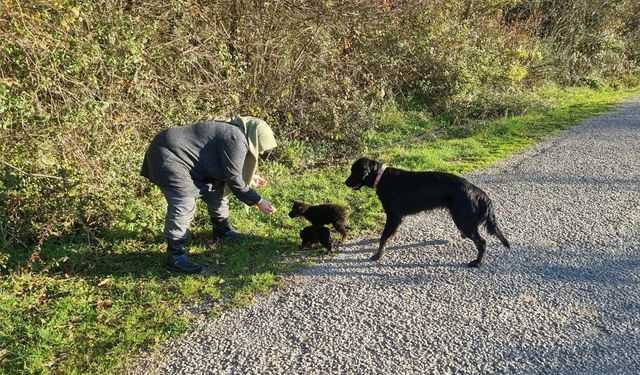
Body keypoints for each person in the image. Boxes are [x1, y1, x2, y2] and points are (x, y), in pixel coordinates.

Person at [141, 116, 277, 274]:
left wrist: (250, 177)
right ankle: (175, 256)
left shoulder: (235, 132)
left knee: (216, 188)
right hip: (168, 156)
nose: (261, 152)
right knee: (184, 202)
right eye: (261, 147)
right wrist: (258, 201)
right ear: (255, 138)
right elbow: (234, 180)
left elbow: (228, 168)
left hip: (186, 159)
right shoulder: (235, 138)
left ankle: (222, 231)